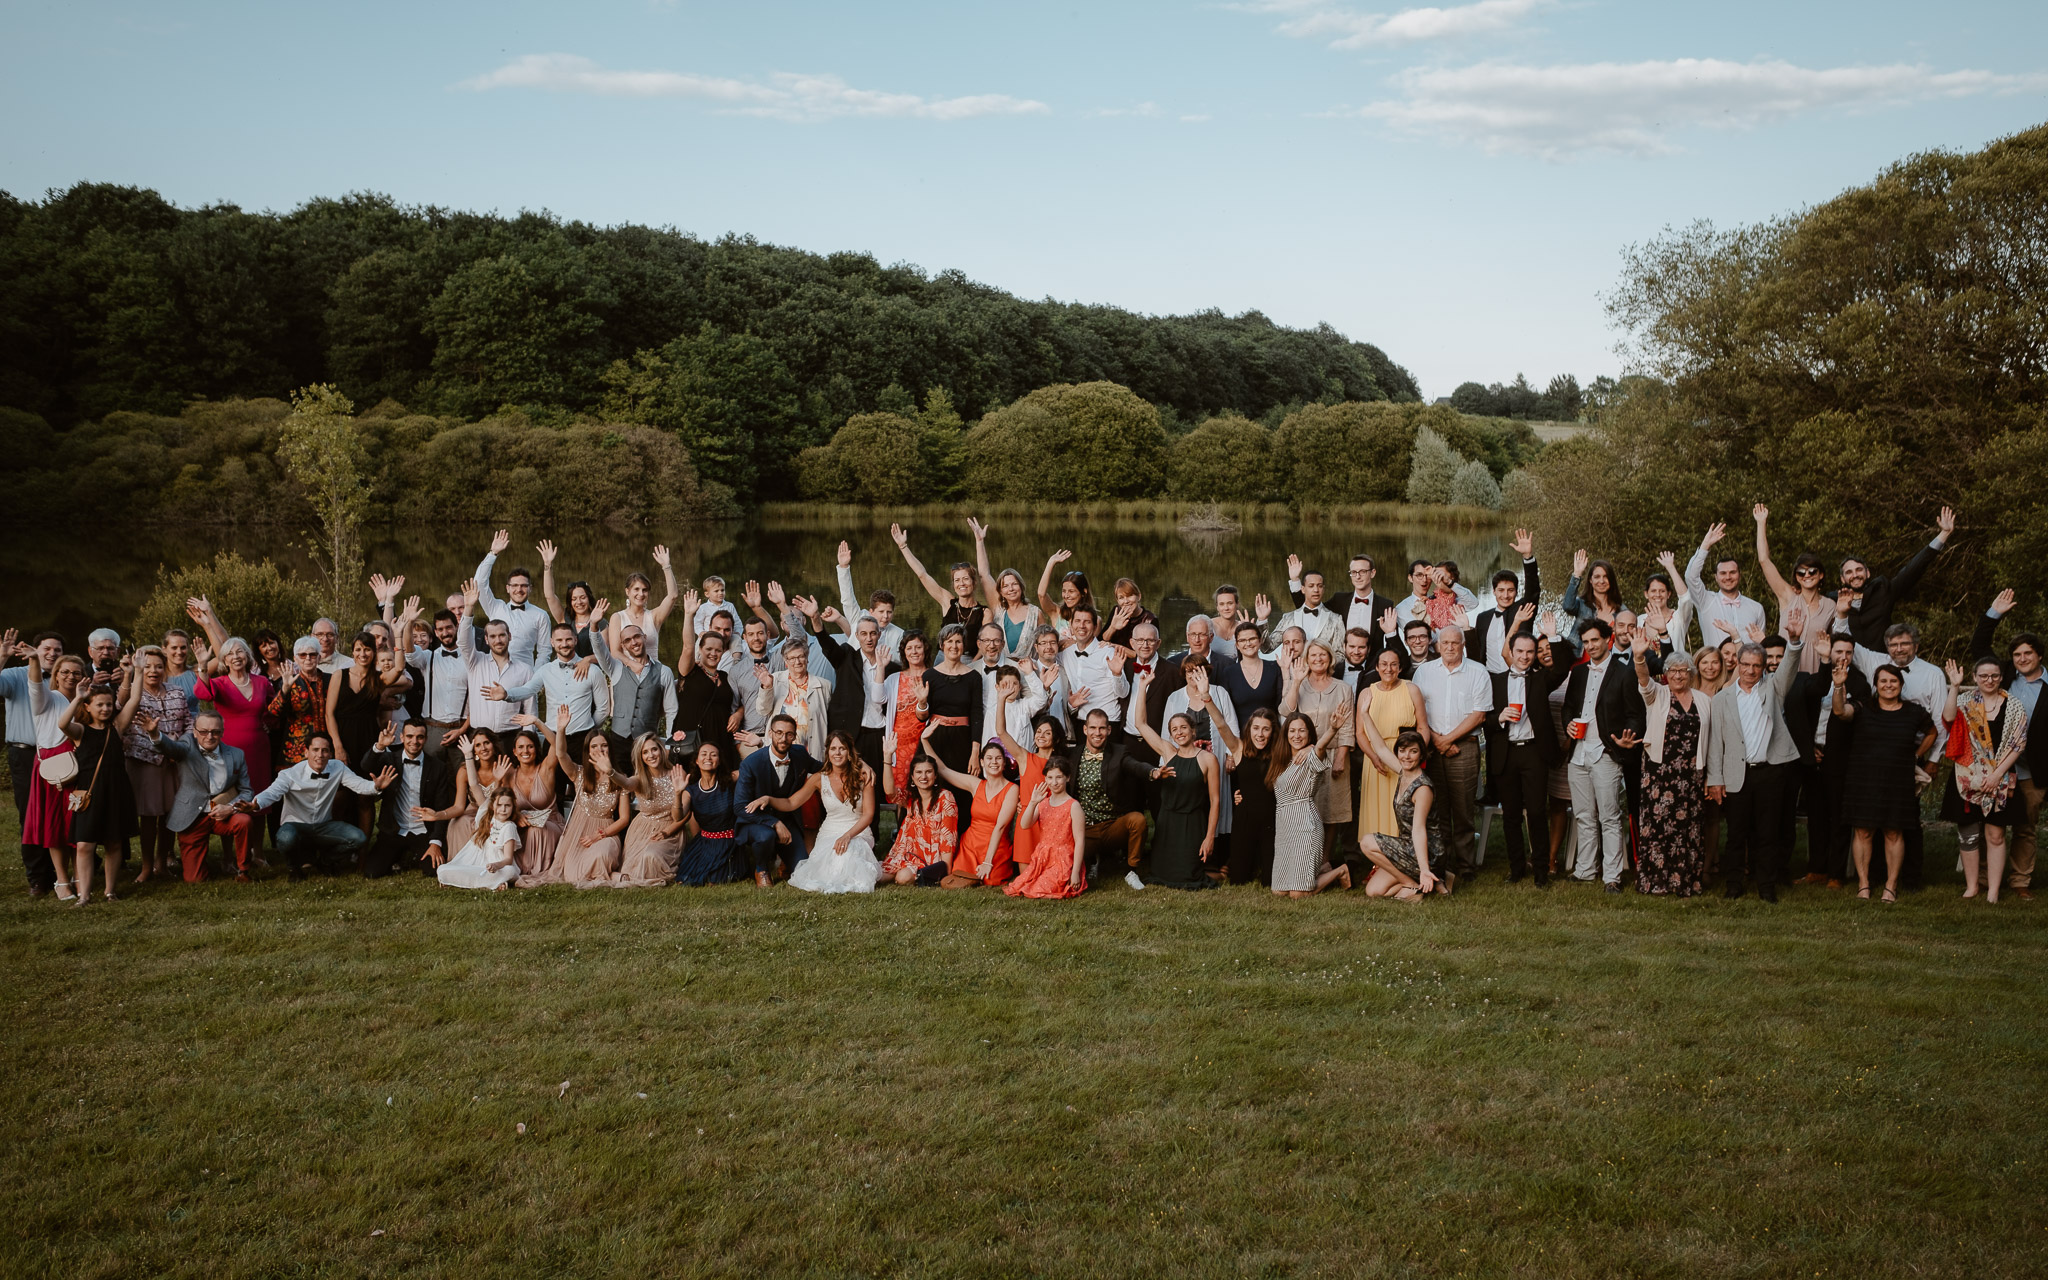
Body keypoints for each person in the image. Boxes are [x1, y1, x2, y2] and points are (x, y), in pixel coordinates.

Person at [1704, 617, 1805, 901]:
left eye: (1756, 666)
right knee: (1736, 834)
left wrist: (1795, 641)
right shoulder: (1723, 699)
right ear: (1736, 664)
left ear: (1763, 668)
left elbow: (1789, 667)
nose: (1750, 670)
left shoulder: (1773, 688)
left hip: (1770, 772)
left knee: (1767, 833)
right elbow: (1716, 743)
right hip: (1737, 774)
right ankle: (1734, 884)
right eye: (1745, 664)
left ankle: (1766, 886)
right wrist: (1715, 779)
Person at [1547, 618, 1645, 890]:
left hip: (1606, 752)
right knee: (1582, 814)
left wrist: (1628, 738)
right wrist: (1568, 724)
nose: (1590, 646)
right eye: (1587, 642)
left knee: (1609, 816)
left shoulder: (1625, 672)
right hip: (1578, 753)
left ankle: (1612, 877)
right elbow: (1568, 707)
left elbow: (1636, 715)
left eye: (1595, 640)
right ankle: (1585, 870)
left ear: (1608, 639)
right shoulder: (1578, 673)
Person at [1845, 621, 1944, 890]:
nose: (1899, 648)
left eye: (1904, 643)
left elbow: (1938, 722)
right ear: (1887, 647)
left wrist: (1931, 758)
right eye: (1894, 644)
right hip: (1874, 757)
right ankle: (1874, 877)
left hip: (1911, 755)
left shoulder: (1933, 673)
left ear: (1916, 645)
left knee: (1903, 821)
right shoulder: (1876, 662)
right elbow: (1851, 645)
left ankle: (1910, 878)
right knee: (1872, 821)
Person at [1971, 589, 2046, 899]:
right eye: (2017, 655)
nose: (2022, 659)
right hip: (2001, 768)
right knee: (1994, 823)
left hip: (2035, 769)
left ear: (2040, 655)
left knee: (2026, 827)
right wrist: (1993, 614)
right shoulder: (2004, 678)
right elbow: (1979, 648)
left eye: (2028, 653)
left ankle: (2020, 882)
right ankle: (1988, 879)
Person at [241, 734, 395, 880]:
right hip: (295, 826)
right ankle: (294, 868)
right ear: (306, 752)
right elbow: (272, 793)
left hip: (324, 825)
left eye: (325, 750)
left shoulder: (338, 767)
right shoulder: (290, 774)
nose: (320, 755)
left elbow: (359, 785)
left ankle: (326, 862)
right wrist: (255, 804)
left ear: (330, 754)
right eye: (315, 750)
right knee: (286, 838)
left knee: (358, 838)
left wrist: (376, 786)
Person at [1940, 656, 2028, 903]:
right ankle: (1971, 886)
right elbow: (1948, 719)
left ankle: (1993, 890)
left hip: (2000, 778)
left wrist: (1997, 775)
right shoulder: (1965, 701)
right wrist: (1954, 686)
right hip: (1967, 777)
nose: (1989, 680)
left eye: (1994, 676)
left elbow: (2018, 744)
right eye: (1983, 676)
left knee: (1996, 836)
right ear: (1975, 678)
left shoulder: (2013, 706)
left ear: (2001, 677)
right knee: (1967, 833)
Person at [1786, 634, 1867, 886]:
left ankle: (1836, 873)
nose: (1843, 657)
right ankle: (1816, 869)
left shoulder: (1859, 682)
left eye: (1848, 653)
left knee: (1838, 816)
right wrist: (1809, 747)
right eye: (1838, 652)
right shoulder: (1816, 679)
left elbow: (1850, 718)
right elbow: (1802, 716)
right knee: (1816, 814)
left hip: (1840, 757)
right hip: (1813, 754)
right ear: (1830, 653)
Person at [1411, 626, 1491, 881]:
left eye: (1455, 643)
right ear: (1437, 645)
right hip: (1432, 748)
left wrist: (1449, 739)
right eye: (1445, 642)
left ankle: (1466, 866)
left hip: (1464, 747)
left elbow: (1479, 714)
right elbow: (1416, 710)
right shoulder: (1423, 672)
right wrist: (1438, 741)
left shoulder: (1478, 671)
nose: (1449, 647)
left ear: (1463, 644)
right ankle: (1440, 865)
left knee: (1464, 809)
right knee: (1437, 809)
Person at [1488, 621, 1564, 886]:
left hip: (1534, 753)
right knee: (1510, 815)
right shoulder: (1495, 681)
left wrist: (1553, 637)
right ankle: (1516, 868)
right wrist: (1499, 717)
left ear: (1534, 655)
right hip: (1505, 753)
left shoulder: (1542, 678)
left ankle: (1542, 871)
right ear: (1511, 651)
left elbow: (1563, 666)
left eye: (1529, 652)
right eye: (1519, 651)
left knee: (1535, 812)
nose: (1524, 656)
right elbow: (1482, 718)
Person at [1128, 677, 1220, 890]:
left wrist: (1209, 838)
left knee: (1189, 877)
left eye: (1183, 728)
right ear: (1170, 735)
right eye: (1174, 729)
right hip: (1168, 823)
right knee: (1163, 875)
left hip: (1193, 824)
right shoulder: (1168, 753)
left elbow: (1215, 801)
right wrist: (1142, 687)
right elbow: (1140, 724)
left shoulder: (1208, 759)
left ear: (1193, 730)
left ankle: (1217, 868)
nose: (1179, 732)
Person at [1632, 639, 1708, 896]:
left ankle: (1685, 881)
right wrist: (1640, 657)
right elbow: (1643, 679)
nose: (1677, 675)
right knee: (1657, 827)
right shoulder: (1658, 694)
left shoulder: (1703, 700)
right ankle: (1655, 882)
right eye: (1672, 670)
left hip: (1691, 773)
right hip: (1660, 774)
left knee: (1688, 829)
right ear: (1666, 674)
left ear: (1690, 673)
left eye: (1683, 670)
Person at [145, 710, 254, 883]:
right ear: (195, 732)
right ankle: (201, 865)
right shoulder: (187, 745)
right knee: (194, 879)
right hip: (193, 817)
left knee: (244, 821)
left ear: (222, 732)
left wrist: (231, 808)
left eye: (215, 732)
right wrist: (154, 734)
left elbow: (247, 790)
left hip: (222, 814)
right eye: (203, 731)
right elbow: (171, 748)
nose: (209, 736)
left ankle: (243, 871)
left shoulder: (236, 754)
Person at [58, 680, 141, 904]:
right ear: (88, 707)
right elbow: (62, 724)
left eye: (109, 704)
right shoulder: (81, 730)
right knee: (85, 844)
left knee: (114, 842)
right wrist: (77, 697)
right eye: (100, 705)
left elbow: (134, 700)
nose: (105, 709)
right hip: (90, 792)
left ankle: (109, 891)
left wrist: (138, 672)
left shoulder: (117, 727)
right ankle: (84, 895)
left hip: (116, 790)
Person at [489, 622, 612, 765]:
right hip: (552, 737)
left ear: (575, 640)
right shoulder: (545, 670)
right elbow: (528, 689)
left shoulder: (593, 671)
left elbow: (603, 709)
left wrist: (587, 727)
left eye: (568, 639)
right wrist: (506, 694)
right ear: (552, 642)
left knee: (583, 784)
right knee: (553, 785)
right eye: (559, 640)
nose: (564, 644)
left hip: (583, 739)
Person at [1834, 507, 1954, 651]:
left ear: (1868, 573)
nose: (1855, 575)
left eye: (1859, 570)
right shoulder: (1833, 600)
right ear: (1842, 578)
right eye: (1849, 572)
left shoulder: (1883, 591)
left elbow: (1913, 570)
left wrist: (1943, 534)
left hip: (1882, 666)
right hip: (1849, 667)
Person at [1, 630, 65, 895]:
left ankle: (64, 870)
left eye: (57, 650)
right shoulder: (14, 676)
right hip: (25, 754)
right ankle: (39, 877)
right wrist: (2, 657)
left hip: (59, 755)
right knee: (30, 815)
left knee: (60, 812)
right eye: (46, 649)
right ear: (34, 650)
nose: (51, 654)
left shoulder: (63, 679)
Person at [777, 731, 881, 893]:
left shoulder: (864, 776)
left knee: (848, 853)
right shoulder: (819, 778)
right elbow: (791, 803)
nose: (837, 753)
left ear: (849, 752)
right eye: (833, 749)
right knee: (831, 861)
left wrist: (847, 836)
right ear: (827, 752)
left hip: (858, 831)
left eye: (842, 748)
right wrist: (767, 799)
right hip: (829, 832)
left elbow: (868, 815)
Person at [1280, 641, 1355, 865]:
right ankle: (1304, 858)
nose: (1318, 659)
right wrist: (1296, 682)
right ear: (1306, 659)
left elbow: (1348, 726)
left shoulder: (1343, 688)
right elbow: (1286, 711)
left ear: (1330, 658)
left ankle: (1325, 860)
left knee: (1330, 812)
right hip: (1303, 756)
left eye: (1323, 654)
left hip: (1333, 756)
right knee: (1304, 807)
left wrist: (1341, 757)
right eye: (1313, 655)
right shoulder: (1299, 685)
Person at [122, 644, 191, 883]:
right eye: (148, 666)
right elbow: (121, 715)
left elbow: (188, 724)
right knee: (149, 816)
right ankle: (146, 866)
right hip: (145, 761)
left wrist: (180, 744)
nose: (154, 670)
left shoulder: (176, 692)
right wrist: (131, 674)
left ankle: (162, 864)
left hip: (173, 761)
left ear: (165, 668)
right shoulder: (133, 692)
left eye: (159, 666)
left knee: (170, 815)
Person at [355, 719, 459, 878]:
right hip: (394, 830)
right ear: (402, 737)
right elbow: (366, 766)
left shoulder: (438, 767)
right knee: (372, 872)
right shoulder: (389, 759)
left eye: (420, 737)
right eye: (409, 736)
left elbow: (441, 806)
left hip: (423, 831)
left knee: (433, 871)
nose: (414, 741)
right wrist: (380, 746)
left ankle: (411, 855)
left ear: (426, 739)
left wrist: (435, 842)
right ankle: (397, 856)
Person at [1267, 711, 1353, 897]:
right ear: (1285, 734)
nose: (1297, 735)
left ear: (1309, 734)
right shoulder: (1281, 760)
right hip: (1284, 828)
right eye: (1292, 731)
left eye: (1302, 731)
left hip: (1305, 826)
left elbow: (1320, 747)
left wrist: (1333, 729)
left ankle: (1340, 871)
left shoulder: (1312, 756)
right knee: (1278, 892)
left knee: (1298, 894)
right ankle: (1321, 871)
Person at [542, 709, 630, 888]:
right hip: (579, 832)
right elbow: (561, 755)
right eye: (594, 746)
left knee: (601, 855)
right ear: (587, 751)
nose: (599, 749)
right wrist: (560, 730)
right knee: (573, 875)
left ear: (610, 749)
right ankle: (612, 876)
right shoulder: (579, 774)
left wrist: (600, 835)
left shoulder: (619, 777)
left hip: (606, 832)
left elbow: (624, 818)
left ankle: (605, 872)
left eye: (604, 745)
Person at [1065, 708, 1152, 889]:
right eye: (1093, 728)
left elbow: (1135, 766)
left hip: (1112, 825)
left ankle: (1131, 871)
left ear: (1109, 730)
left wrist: (1152, 771)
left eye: (1102, 728)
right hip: (1083, 829)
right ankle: (1090, 863)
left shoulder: (1119, 752)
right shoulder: (1073, 755)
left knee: (1138, 820)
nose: (1098, 733)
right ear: (1085, 729)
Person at [24, 652, 86, 896]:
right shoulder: (46, 699)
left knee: (77, 823)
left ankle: (80, 874)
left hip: (82, 766)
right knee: (55, 825)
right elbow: (35, 684)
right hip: (55, 769)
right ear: (56, 675)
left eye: (76, 672)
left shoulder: (86, 700)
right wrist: (34, 660)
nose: (71, 676)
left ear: (83, 676)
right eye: (65, 672)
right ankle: (61, 880)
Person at [734, 714, 822, 886]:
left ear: (794, 736)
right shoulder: (751, 764)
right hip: (756, 823)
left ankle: (786, 863)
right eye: (779, 733)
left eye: (789, 734)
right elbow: (739, 807)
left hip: (788, 821)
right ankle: (761, 869)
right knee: (765, 835)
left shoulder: (799, 754)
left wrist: (859, 764)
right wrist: (773, 822)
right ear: (770, 734)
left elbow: (823, 767)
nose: (784, 738)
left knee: (803, 871)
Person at [923, 730, 1017, 888]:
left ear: (1004, 762)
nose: (993, 762)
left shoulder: (1012, 789)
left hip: (997, 845)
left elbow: (1000, 827)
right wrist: (924, 740)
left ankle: (993, 865)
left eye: (998, 758)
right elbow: (944, 770)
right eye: (989, 758)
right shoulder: (976, 785)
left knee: (990, 880)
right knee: (961, 875)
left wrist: (988, 861)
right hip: (971, 844)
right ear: (981, 762)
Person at [1357, 646, 1428, 848]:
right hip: (1375, 759)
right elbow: (1360, 733)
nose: (1389, 669)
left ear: (1400, 667)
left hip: (1405, 759)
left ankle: (1404, 855)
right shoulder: (1366, 693)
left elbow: (1423, 726)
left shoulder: (1411, 689)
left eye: (1394, 664)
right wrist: (1373, 757)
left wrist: (1417, 758)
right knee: (1376, 809)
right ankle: (1376, 860)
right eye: (1384, 664)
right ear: (1377, 667)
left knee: (1402, 809)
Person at [1751, 505, 1836, 673]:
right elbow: (1764, 561)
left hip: (1814, 674)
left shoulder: (1830, 606)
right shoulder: (1788, 596)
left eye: (1812, 571)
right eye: (1801, 572)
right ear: (1796, 576)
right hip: (1784, 672)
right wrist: (1761, 523)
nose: (1807, 575)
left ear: (1821, 575)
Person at [1359, 731, 1440, 901]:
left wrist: (1424, 868)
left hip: (1426, 852)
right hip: (1407, 846)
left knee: (1367, 842)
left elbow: (1418, 830)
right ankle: (1425, 882)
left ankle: (1417, 879)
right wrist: (1365, 712)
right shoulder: (1404, 773)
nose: (1407, 756)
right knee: (1373, 891)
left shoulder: (1422, 788)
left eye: (1413, 751)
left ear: (1422, 755)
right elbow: (1380, 748)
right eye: (1402, 750)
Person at [454, 583, 534, 748]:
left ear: (509, 636)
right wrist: (468, 608)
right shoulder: (475, 662)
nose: (498, 640)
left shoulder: (525, 670)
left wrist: (527, 742)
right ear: (486, 640)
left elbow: (530, 711)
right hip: (479, 737)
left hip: (511, 738)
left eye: (502, 635)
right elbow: (463, 641)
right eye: (493, 636)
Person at [324, 632, 390, 830]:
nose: (363, 653)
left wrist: (402, 630)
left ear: (374, 652)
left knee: (365, 797)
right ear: (352, 652)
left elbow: (401, 672)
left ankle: (362, 854)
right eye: (358, 649)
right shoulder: (339, 675)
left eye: (367, 649)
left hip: (368, 741)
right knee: (339, 796)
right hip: (341, 738)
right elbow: (329, 714)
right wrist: (337, 746)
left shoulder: (378, 679)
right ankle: (338, 848)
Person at [995, 695, 1067, 875]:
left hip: (1052, 821)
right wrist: (1001, 700)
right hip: (1027, 820)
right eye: (1039, 731)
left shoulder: (1061, 765)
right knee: (1026, 876)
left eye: (1047, 732)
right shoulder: (1025, 758)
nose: (1041, 735)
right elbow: (1001, 732)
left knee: (1050, 873)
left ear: (1056, 738)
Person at [1005, 756, 1088, 899]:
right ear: (1045, 778)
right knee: (1020, 885)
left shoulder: (1073, 806)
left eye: (1059, 777)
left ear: (1067, 778)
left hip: (1063, 860)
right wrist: (1032, 803)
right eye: (1050, 777)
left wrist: (1075, 872)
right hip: (1043, 857)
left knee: (1041, 889)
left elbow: (1080, 841)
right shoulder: (1043, 803)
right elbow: (1025, 824)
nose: (1054, 782)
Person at [613, 732, 688, 888]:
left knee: (651, 856)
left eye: (654, 749)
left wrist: (678, 793)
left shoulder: (676, 774)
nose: (651, 755)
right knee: (631, 869)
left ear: (661, 750)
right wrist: (610, 772)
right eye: (645, 752)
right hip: (642, 830)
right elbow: (626, 783)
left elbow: (678, 817)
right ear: (640, 757)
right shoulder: (640, 778)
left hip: (670, 830)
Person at [923, 623, 986, 804]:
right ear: (942, 645)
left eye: (958, 641)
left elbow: (976, 714)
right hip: (936, 738)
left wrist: (975, 752)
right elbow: (923, 716)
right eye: (949, 641)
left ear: (964, 645)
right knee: (933, 786)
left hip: (962, 739)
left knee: (961, 792)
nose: (954, 646)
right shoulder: (929, 676)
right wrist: (921, 702)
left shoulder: (973, 677)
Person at [892, 521, 988, 637]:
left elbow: (985, 644)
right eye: (957, 580)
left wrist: (980, 542)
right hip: (944, 655)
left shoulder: (984, 613)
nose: (961, 583)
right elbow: (922, 574)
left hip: (971, 656)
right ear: (953, 585)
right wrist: (903, 546)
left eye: (966, 579)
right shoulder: (948, 602)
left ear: (974, 581)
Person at [1683, 522, 1768, 649]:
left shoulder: (1756, 608)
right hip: (1716, 666)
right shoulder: (1705, 601)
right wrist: (1705, 546)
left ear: (1739, 575)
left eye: (1732, 572)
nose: (1728, 577)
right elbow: (1691, 576)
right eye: (1723, 573)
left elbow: (1761, 647)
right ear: (1716, 578)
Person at [1466, 530, 1540, 675]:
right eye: (1501, 590)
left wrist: (1527, 557)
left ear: (1516, 592)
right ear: (1494, 591)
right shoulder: (1482, 618)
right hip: (1489, 677)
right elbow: (1478, 652)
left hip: (1516, 675)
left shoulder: (1523, 610)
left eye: (1510, 590)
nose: (1505, 595)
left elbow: (1533, 590)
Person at [969, 517, 1043, 660]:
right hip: (1000, 670)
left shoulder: (1035, 613)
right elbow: (984, 574)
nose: (1011, 588)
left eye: (1014, 584)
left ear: (1021, 586)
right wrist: (980, 542)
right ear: (1001, 591)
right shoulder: (998, 609)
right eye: (1006, 586)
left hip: (1026, 672)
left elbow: (1044, 643)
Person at [474, 530, 550, 667]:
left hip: (526, 676)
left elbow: (544, 651)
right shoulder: (495, 607)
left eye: (523, 586)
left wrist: (535, 679)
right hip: (495, 672)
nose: (519, 590)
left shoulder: (541, 615)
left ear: (530, 588)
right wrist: (493, 553)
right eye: (514, 585)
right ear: (507, 588)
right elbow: (479, 582)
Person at [1223, 706, 1280, 885]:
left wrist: (1309, 748)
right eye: (1256, 728)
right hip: (1245, 819)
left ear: (1273, 731)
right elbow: (1220, 725)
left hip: (1272, 821)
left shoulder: (1280, 753)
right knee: (1238, 879)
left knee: (1270, 881)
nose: (1260, 734)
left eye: (1266, 729)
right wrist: (1206, 697)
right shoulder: (1239, 749)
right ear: (1249, 729)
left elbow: (1303, 741)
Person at [882, 755, 957, 885]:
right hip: (904, 853)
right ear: (912, 777)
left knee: (903, 878)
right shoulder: (911, 798)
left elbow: (948, 838)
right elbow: (890, 792)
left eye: (928, 772)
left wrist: (945, 871)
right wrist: (888, 758)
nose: (923, 777)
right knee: (877, 877)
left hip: (929, 859)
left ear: (935, 776)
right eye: (919, 772)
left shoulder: (945, 797)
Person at [675, 741, 741, 886]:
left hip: (728, 841)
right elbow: (678, 817)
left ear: (719, 761)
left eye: (713, 755)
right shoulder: (691, 790)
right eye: (704, 754)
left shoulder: (731, 779)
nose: (708, 758)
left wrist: (759, 744)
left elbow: (751, 767)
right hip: (704, 841)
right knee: (685, 879)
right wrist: (678, 794)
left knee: (714, 880)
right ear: (697, 761)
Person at [757, 637, 830, 764]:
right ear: (785, 661)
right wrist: (767, 688)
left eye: (801, 656)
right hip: (780, 750)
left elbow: (828, 720)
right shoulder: (774, 679)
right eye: (792, 658)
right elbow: (763, 710)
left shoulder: (824, 685)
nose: (797, 661)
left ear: (807, 658)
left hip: (811, 750)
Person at [504, 728, 563, 881]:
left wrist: (536, 722)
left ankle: (535, 872)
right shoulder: (510, 774)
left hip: (550, 823)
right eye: (521, 747)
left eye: (530, 746)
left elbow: (557, 744)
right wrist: (516, 816)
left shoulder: (545, 769)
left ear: (536, 749)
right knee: (510, 829)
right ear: (515, 751)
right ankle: (516, 868)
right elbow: (501, 804)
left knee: (536, 830)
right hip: (522, 825)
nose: (526, 751)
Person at [604, 544, 679, 663]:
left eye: (645, 590)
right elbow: (615, 652)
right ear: (627, 591)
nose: (641, 593)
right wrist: (634, 666)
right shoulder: (617, 617)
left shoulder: (654, 616)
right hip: (628, 674)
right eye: (636, 589)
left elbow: (673, 596)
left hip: (653, 674)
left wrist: (666, 566)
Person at [437, 787, 522, 891]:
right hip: (478, 866)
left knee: (510, 871)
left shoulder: (509, 827)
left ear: (513, 807)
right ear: (492, 806)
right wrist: (497, 779)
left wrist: (496, 865)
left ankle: (477, 882)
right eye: (499, 805)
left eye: (507, 805)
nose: (503, 809)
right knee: (442, 869)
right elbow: (474, 785)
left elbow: (508, 859)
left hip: (498, 868)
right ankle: (492, 884)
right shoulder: (485, 818)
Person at [880, 631, 931, 801]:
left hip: (923, 742)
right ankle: (902, 827)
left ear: (925, 649)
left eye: (918, 647)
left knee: (925, 786)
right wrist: (881, 667)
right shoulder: (894, 678)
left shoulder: (933, 676)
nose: (914, 652)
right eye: (910, 648)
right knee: (899, 790)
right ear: (904, 652)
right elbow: (878, 698)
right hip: (899, 745)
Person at [835, 541, 903, 663]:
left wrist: (886, 656)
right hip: (854, 673)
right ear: (871, 611)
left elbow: (903, 661)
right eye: (881, 611)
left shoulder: (898, 634)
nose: (885, 616)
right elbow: (847, 599)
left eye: (889, 612)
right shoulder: (859, 617)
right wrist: (844, 568)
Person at [447, 729, 510, 857]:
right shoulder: (465, 770)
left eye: (487, 743)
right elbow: (458, 806)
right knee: (459, 823)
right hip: (473, 809)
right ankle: (463, 863)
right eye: (478, 745)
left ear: (494, 745)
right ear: (473, 750)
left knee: (488, 823)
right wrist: (437, 815)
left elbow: (504, 802)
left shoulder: (505, 768)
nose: (483, 748)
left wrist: (498, 781)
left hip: (498, 812)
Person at [536, 539, 601, 658]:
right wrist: (548, 564)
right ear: (570, 602)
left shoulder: (600, 622)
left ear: (589, 598)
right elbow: (549, 595)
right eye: (574, 599)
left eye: (582, 597)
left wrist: (586, 661)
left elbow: (605, 653)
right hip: (562, 671)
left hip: (588, 671)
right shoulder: (564, 617)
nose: (579, 602)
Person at [1212, 620, 1284, 727]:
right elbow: (1225, 711)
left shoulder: (1275, 668)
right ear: (1237, 644)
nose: (1248, 643)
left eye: (1252, 639)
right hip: (1241, 738)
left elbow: (1281, 706)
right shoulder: (1229, 673)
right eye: (1242, 640)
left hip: (1272, 735)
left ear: (1260, 641)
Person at [1277, 557, 1345, 653]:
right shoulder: (1288, 618)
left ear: (1323, 589)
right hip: (1293, 667)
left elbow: (1341, 654)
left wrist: (1322, 664)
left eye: (1320, 586)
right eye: (1311, 586)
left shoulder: (1336, 619)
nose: (1316, 590)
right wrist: (1262, 621)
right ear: (1303, 589)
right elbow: (1267, 648)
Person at [1036, 548, 1094, 645]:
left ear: (1084, 592)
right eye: (1064, 591)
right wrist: (1051, 563)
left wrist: (1070, 642)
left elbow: (1089, 647)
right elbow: (1041, 594)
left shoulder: (1094, 620)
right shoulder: (1057, 613)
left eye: (1071, 591)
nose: (1066, 596)